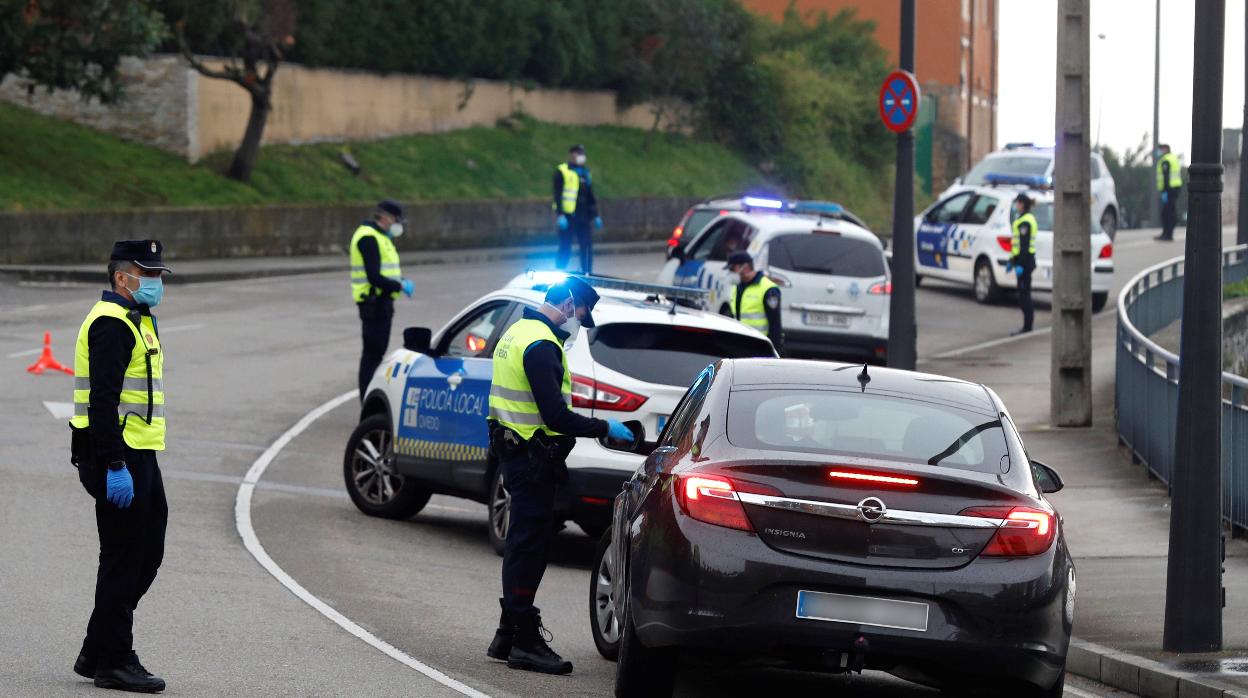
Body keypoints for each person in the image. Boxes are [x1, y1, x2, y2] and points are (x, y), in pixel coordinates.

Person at [485, 277, 633, 675]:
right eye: (580, 314)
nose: (577, 324)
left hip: (516, 452)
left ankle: (506, 634)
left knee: (525, 543)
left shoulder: (518, 331)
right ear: (569, 303)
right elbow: (555, 416)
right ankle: (524, 640)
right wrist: (605, 427)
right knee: (528, 548)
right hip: (532, 457)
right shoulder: (542, 345)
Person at [68, 240, 172, 692]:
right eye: (145, 273)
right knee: (123, 559)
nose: (154, 282)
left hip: (140, 450)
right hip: (117, 454)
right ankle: (114, 660)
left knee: (147, 553)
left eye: (157, 274)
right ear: (120, 278)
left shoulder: (138, 319)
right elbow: (102, 401)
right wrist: (113, 464)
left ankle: (97, 645)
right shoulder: (111, 325)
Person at [350, 199, 416, 400]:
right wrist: (399, 286)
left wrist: (399, 281)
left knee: (375, 355)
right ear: (386, 217)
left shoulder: (381, 237)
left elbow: (385, 272)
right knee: (372, 357)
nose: (399, 225)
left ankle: (369, 399)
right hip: (373, 304)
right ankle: (367, 401)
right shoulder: (368, 238)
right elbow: (374, 276)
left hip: (382, 304)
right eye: (397, 220)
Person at [553, 144, 602, 274]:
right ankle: (559, 272)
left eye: (582, 154)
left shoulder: (585, 173)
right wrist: (560, 215)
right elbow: (557, 195)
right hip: (569, 217)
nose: (581, 157)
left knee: (586, 247)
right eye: (578, 153)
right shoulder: (562, 171)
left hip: (584, 217)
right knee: (565, 246)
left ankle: (587, 273)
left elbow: (590, 196)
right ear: (571, 155)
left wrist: (596, 215)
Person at [726, 251, 784, 354]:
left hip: (760, 346)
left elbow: (775, 325)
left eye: (732, 269)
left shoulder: (769, 289)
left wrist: (774, 351)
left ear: (745, 267)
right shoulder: (737, 288)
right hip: (740, 345)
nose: (730, 272)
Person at [1007, 193, 1038, 335]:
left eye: (1017, 203)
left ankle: (1027, 326)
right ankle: (1027, 325)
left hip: (1025, 263)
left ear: (1022, 204)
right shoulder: (1023, 219)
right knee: (1023, 295)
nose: (1016, 206)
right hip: (1022, 262)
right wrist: (1012, 260)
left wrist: (1020, 264)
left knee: (1024, 296)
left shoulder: (1025, 221)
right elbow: (1017, 245)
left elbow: (1024, 246)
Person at [1155, 144, 1183, 241]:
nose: (1159, 151)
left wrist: (1165, 191)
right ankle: (1167, 233)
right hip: (1174, 188)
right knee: (1169, 212)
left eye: (1160, 149)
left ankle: (1167, 234)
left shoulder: (1166, 160)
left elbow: (1166, 177)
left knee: (1167, 213)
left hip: (1169, 189)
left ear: (1165, 149)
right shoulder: (1173, 158)